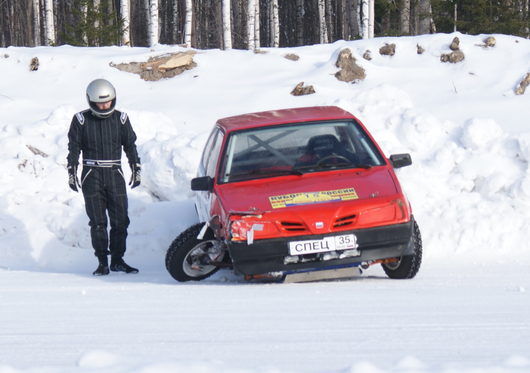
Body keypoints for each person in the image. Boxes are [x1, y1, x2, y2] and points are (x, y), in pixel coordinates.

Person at [67, 79, 141, 276]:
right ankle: (102, 262)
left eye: (107, 102)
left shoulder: (122, 119)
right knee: (98, 222)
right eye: (100, 103)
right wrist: (72, 171)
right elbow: (74, 147)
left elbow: (130, 145)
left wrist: (136, 166)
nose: (104, 106)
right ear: (90, 101)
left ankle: (117, 260)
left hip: (115, 172)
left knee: (121, 221)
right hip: (91, 174)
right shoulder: (80, 120)